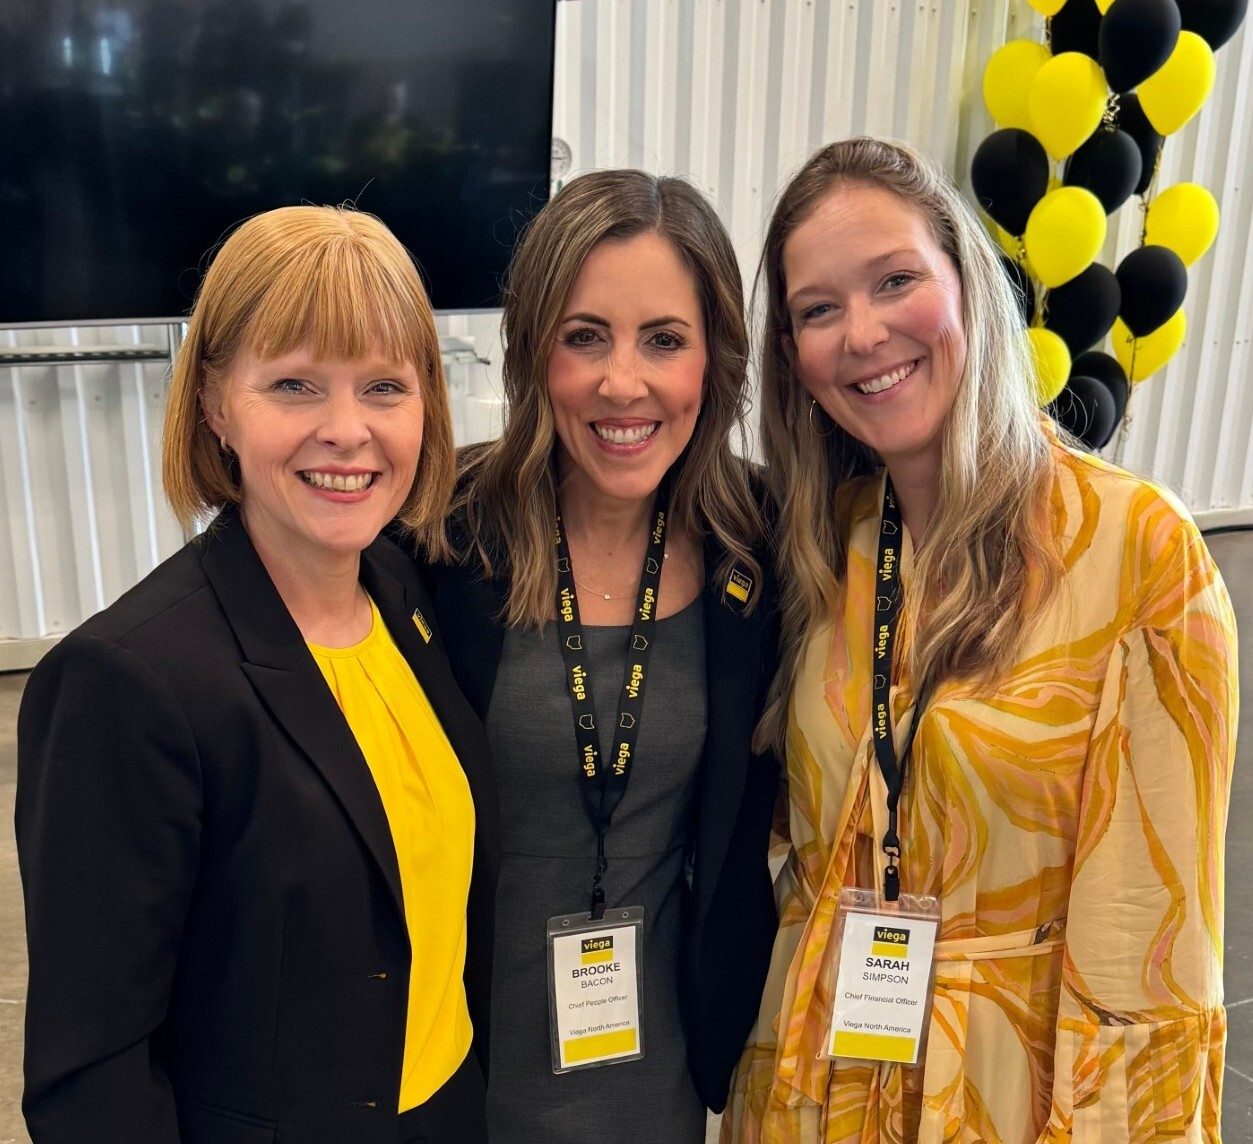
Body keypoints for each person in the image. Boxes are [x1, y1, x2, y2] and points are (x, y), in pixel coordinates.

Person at [723, 137, 1238, 1142]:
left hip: (1011, 1088)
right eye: (817, 310)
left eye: (894, 280)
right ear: (792, 357)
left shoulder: (1133, 554)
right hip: (818, 1076)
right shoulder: (829, 543)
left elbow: (1152, 950)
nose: (861, 333)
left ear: (966, 283)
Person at [16, 205, 499, 1144]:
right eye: (294, 385)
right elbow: (91, 1077)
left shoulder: (403, 593)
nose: (348, 431)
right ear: (214, 405)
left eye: (385, 387)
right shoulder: (128, 683)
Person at [415, 169, 781, 1143]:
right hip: (464, 1064)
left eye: (663, 339)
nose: (624, 382)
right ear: (534, 352)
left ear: (713, 359)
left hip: (660, 1072)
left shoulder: (761, 545)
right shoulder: (439, 538)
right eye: (584, 337)